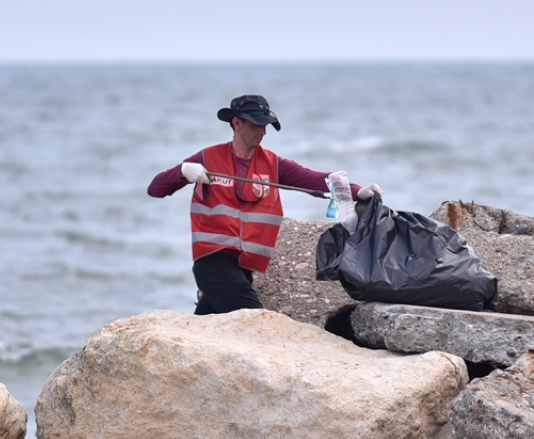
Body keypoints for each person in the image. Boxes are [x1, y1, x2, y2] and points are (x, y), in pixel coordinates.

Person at [148, 94, 383, 315]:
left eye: (265, 126)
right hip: (213, 263)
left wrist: (357, 191)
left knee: (201, 329)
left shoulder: (274, 164)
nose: (262, 132)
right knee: (256, 321)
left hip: (244, 269)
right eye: (256, 125)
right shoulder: (207, 159)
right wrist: (182, 172)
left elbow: (316, 179)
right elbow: (155, 189)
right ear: (237, 123)